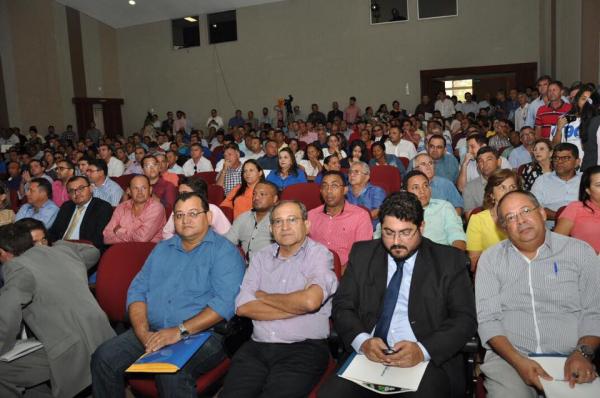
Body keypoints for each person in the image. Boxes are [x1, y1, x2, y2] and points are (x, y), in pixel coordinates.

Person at [318, 191, 477, 397]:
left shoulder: (449, 260)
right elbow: (343, 305)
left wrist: (423, 350)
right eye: (388, 232)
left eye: (405, 232)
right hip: (368, 355)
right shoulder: (363, 254)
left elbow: (464, 319)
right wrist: (362, 341)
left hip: (426, 359)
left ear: (421, 227)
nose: (396, 242)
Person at [92, 192, 245, 397]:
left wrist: (179, 331)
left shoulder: (224, 252)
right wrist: (142, 332)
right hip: (152, 331)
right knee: (103, 357)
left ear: (208, 217)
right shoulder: (161, 249)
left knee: (169, 371)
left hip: (202, 334)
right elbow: (137, 291)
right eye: (179, 215)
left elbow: (224, 303)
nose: (185, 220)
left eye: (193, 213)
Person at [475, 190, 600, 397]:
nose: (521, 220)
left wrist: (583, 352)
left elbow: (594, 311)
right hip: (510, 361)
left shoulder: (580, 252)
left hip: (572, 357)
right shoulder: (491, 260)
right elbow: (488, 320)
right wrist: (519, 362)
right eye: (510, 217)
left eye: (526, 211)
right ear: (504, 228)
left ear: (542, 213)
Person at [219, 200, 338, 398]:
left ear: (306, 225)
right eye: (278, 222)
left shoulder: (319, 255)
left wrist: (263, 296)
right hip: (257, 347)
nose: (285, 227)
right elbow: (243, 308)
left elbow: (310, 302)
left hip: (303, 349)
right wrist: (297, 306)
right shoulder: (260, 258)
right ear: (271, 229)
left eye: (292, 220)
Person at [0, 224, 114, 398]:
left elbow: (6, 318)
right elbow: (92, 251)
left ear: (3, 252)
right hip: (106, 339)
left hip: (71, 352)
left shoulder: (15, 267)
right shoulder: (63, 251)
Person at [308, 170, 373, 269]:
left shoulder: (360, 216)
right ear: (320, 190)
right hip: (313, 270)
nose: (329, 191)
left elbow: (362, 254)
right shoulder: (311, 215)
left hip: (347, 273)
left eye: (334, 186)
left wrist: (340, 273)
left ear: (345, 190)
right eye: (324, 186)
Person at [466, 169, 519, 272]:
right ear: (492, 194)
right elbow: (474, 262)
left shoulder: (526, 217)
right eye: (502, 188)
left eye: (512, 187)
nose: (508, 192)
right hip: (491, 274)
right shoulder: (478, 220)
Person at [404, 170, 466, 250]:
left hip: (441, 256)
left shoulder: (444, 207)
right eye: (416, 187)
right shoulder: (399, 212)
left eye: (425, 186)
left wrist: (454, 258)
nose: (422, 191)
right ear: (405, 192)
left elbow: (457, 235)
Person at [49, 176, 114, 251]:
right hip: (59, 248)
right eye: (72, 191)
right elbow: (54, 231)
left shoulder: (102, 207)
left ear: (90, 188)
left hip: (83, 250)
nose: (77, 193)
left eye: (81, 188)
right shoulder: (66, 206)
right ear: (69, 195)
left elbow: (98, 239)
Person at [224, 181, 279, 261]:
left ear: (275, 199)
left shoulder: (280, 220)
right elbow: (227, 243)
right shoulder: (243, 217)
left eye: (262, 194)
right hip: (244, 268)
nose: (256, 197)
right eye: (254, 194)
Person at [103, 175, 166, 244]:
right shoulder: (122, 207)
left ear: (150, 190)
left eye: (144, 188)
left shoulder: (156, 208)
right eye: (135, 188)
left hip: (148, 251)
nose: (140, 192)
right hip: (121, 250)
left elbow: (142, 238)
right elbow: (106, 237)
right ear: (129, 191)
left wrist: (120, 231)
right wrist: (132, 236)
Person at [531, 143, 582, 227]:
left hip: (582, 227)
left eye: (565, 158)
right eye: (556, 158)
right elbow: (534, 208)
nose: (559, 161)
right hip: (551, 230)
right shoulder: (542, 180)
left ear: (577, 162)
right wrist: (562, 217)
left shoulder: (586, 179)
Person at [162, 177, 231, 239]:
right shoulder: (178, 209)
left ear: (199, 194)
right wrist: (180, 243)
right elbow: (166, 233)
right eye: (180, 193)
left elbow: (228, 235)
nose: (181, 197)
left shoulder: (212, 210)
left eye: (185, 193)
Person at [554, 165, 600, 253]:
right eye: (599, 185)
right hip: (583, 262)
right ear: (588, 190)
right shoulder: (576, 208)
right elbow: (556, 243)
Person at [346, 161, 386, 230]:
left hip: (370, 230)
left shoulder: (376, 191)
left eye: (356, 172)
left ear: (367, 177)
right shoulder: (344, 192)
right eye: (350, 172)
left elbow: (376, 213)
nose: (352, 174)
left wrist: (353, 221)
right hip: (347, 229)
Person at [463, 147, 502, 215]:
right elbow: (470, 217)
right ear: (477, 165)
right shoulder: (470, 188)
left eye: (489, 159)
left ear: (498, 162)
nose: (485, 164)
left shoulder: (509, 181)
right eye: (480, 161)